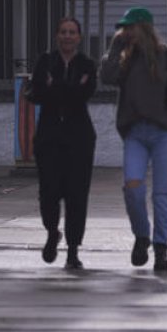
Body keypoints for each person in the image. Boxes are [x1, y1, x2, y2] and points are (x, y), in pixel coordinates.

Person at [99, 6, 167, 272]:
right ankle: (142, 235)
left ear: (143, 28)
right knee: (132, 188)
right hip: (135, 132)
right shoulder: (124, 58)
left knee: (163, 193)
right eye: (124, 28)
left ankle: (161, 248)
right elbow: (107, 78)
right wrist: (114, 47)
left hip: (163, 132)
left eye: (130, 27)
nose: (126, 32)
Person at [31, 17, 98, 269]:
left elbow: (85, 94)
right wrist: (68, 88)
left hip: (79, 140)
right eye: (63, 32)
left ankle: (72, 250)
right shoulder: (45, 62)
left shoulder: (87, 64)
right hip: (48, 139)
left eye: (72, 32)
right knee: (48, 193)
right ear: (57, 36)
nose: (67, 36)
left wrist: (55, 87)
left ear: (79, 37)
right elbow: (38, 93)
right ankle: (51, 231)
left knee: (76, 196)